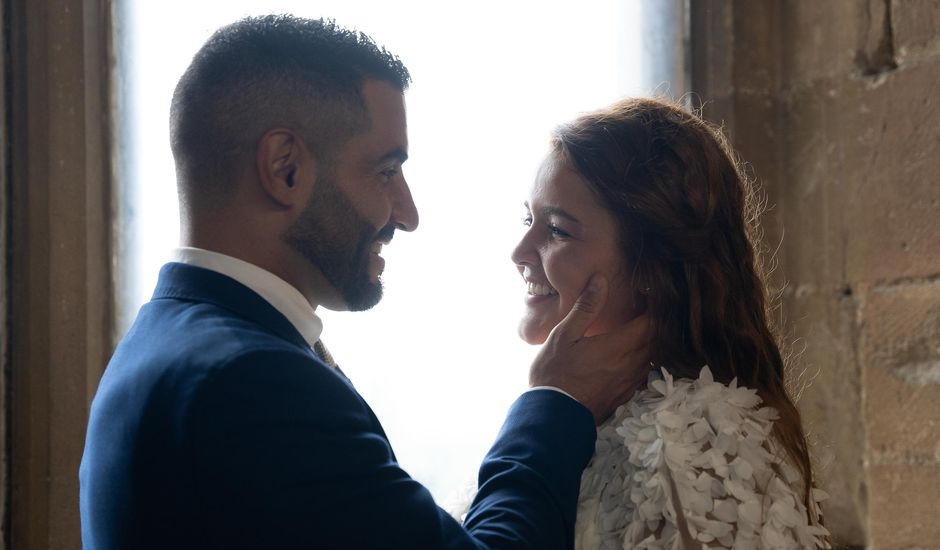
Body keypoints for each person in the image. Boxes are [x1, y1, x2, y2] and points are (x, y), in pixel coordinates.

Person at [79, 15, 652, 550]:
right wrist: (555, 400)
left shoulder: (168, 342)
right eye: (385, 171)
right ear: (286, 168)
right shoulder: (251, 382)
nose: (407, 213)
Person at [509, 98, 832, 548]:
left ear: (649, 268)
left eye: (558, 230)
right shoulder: (576, 414)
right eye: (528, 218)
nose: (519, 252)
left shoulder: (697, 443)